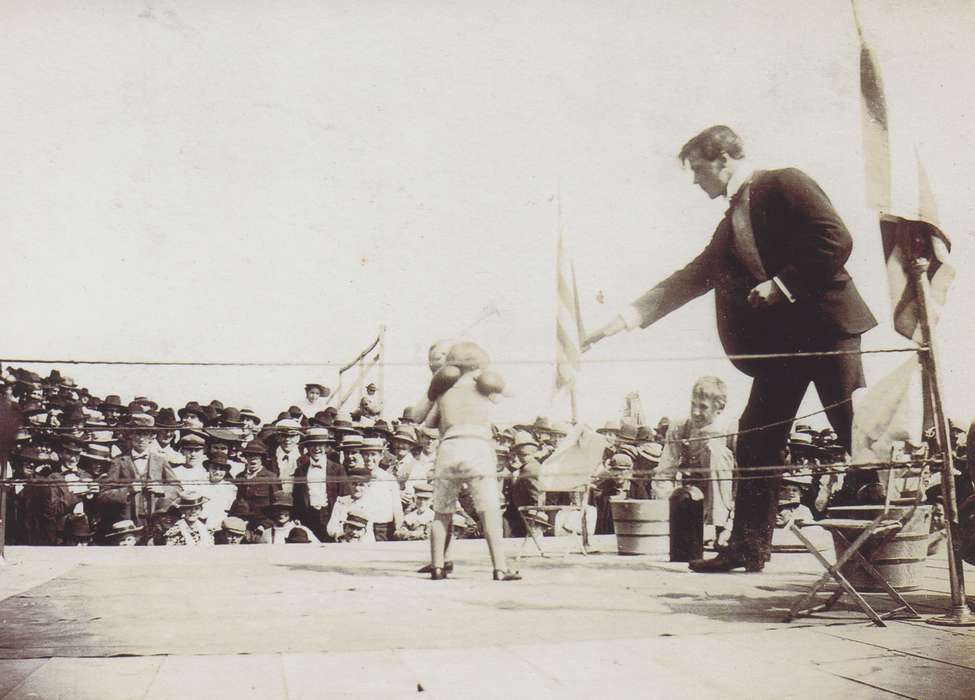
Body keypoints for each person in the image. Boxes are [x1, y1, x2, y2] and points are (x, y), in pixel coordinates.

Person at [585, 125, 877, 572]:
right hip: (783, 345)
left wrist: (780, 286)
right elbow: (692, 276)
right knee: (756, 438)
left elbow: (835, 239)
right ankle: (747, 548)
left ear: (723, 159)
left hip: (829, 329)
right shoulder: (730, 222)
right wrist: (623, 320)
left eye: (698, 169)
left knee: (855, 432)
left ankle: (878, 552)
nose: (695, 180)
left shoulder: (785, 182)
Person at [422, 341, 520, 581]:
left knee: (441, 513)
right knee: (489, 511)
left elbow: (428, 423)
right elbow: (511, 394)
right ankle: (500, 568)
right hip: (477, 446)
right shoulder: (486, 389)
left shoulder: (444, 392)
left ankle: (437, 567)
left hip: (449, 448)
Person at [653, 376, 736, 547]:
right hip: (693, 500)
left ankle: (720, 528)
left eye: (703, 407)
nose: (696, 412)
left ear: (719, 408)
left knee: (714, 449)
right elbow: (664, 472)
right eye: (693, 405)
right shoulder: (680, 427)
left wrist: (731, 525)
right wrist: (668, 511)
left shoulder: (731, 429)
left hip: (725, 503)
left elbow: (743, 482)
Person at [96, 413, 180, 531]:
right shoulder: (119, 461)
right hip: (127, 523)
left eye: (145, 434)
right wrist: (127, 490)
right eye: (137, 433)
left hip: (155, 523)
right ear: (130, 434)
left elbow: (178, 488)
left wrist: (161, 489)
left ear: (152, 437)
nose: (141, 439)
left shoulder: (160, 460)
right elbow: (103, 495)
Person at [292, 427, 346, 541]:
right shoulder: (301, 470)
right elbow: (297, 497)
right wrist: (297, 517)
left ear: (326, 447)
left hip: (330, 517)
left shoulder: (337, 469)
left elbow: (344, 496)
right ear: (307, 447)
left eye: (320, 445)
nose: (316, 448)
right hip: (308, 517)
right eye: (313, 445)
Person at [357, 437, 404, 541]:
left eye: (373, 454)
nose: (369, 458)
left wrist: (398, 528)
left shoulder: (388, 478)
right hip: (359, 527)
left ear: (381, 456)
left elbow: (397, 507)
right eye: (366, 454)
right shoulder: (356, 477)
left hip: (383, 529)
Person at [326, 466, 376, 542]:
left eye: (361, 485)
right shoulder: (341, 502)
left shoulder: (370, 503)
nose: (357, 488)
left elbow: (368, 532)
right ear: (349, 484)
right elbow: (330, 529)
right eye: (354, 484)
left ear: (368, 486)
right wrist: (343, 534)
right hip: (342, 543)